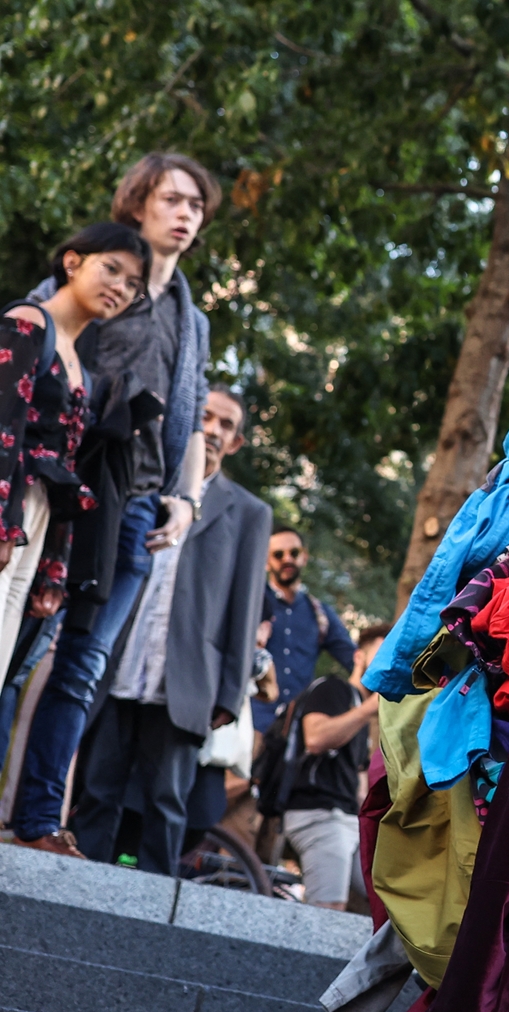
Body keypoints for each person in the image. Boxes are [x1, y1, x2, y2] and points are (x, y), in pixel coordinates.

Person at [12, 152, 221, 857]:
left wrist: (186, 501)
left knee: (83, 665)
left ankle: (39, 821)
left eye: (196, 205)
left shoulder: (194, 319)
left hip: (137, 507)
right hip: (62, 492)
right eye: (173, 199)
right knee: (18, 645)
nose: (186, 214)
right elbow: (34, 360)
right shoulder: (89, 276)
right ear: (138, 204)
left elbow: (191, 421)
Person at [69, 387, 270, 874]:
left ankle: (154, 915)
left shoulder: (248, 512)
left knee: (166, 801)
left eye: (227, 425)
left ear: (237, 442)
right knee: (97, 789)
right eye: (207, 419)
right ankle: (79, 888)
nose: (216, 432)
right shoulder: (148, 485)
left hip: (185, 680)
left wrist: (228, 691)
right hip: (120, 662)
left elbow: (245, 611)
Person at [0, 224, 149, 709]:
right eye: (112, 269)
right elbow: (3, 426)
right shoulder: (28, 322)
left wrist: (53, 568)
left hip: (39, 522)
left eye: (132, 284)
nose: (120, 288)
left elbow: (65, 470)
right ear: (72, 262)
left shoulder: (81, 365)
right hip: (10, 508)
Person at [277, 622, 387, 910]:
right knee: (328, 912)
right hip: (320, 814)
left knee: (386, 906)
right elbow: (315, 738)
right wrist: (368, 710)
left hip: (347, 820)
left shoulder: (361, 715)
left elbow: (361, 785)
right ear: (358, 657)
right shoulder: (333, 689)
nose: (389, 660)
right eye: (381, 652)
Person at [255, 525, 355, 734]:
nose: (287, 559)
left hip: (296, 730)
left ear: (304, 557)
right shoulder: (251, 602)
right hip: (251, 724)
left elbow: (354, 659)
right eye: (278, 554)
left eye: (294, 553)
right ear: (266, 561)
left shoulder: (320, 614)